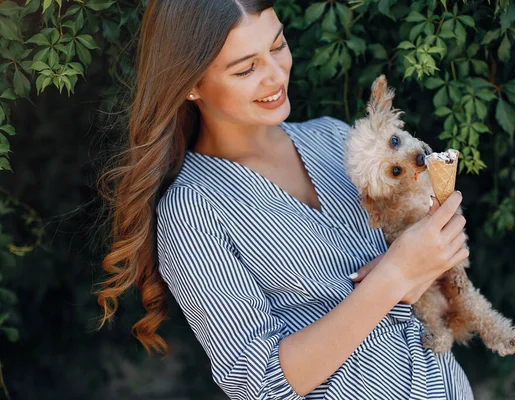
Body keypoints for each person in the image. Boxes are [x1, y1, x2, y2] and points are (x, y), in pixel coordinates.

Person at [94, 1, 474, 399]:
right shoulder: (193, 210)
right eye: (246, 69)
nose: (276, 76)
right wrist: (393, 277)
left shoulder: (334, 139)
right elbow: (259, 385)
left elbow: (433, 300)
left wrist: (434, 253)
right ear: (190, 83)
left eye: (277, 46)